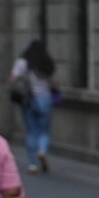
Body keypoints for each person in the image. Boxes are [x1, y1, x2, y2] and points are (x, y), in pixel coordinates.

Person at [13, 40, 59, 174]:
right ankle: (42, 151)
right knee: (44, 130)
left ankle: (32, 164)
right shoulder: (48, 63)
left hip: (28, 100)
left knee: (31, 131)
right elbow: (54, 83)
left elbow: (13, 79)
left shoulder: (22, 63)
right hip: (45, 99)